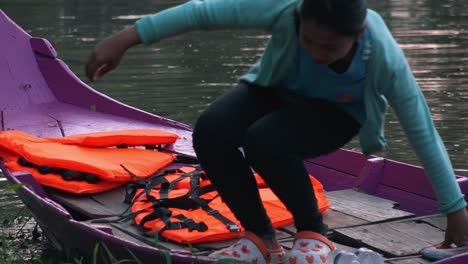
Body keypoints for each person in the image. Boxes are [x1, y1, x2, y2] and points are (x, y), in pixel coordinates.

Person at [85, 0, 468, 262]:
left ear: (358, 33)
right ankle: (260, 239)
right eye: (309, 41)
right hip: (275, 89)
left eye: (330, 47)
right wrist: (125, 39)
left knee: (265, 142)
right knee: (211, 131)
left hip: (336, 113)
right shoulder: (287, 9)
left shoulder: (382, 54)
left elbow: (422, 129)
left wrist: (454, 210)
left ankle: (313, 235)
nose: (318, 53)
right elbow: (203, 13)